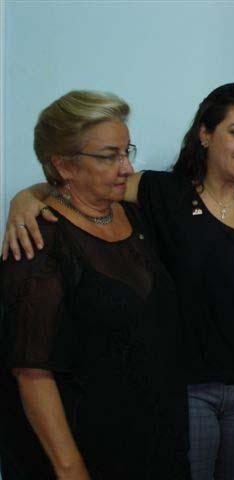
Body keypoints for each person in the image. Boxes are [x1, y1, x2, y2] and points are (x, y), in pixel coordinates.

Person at [1, 81, 234, 480]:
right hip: (185, 390)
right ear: (205, 135)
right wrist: (25, 197)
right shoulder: (162, 193)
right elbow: (75, 190)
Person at [0, 91, 189, 479]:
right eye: (109, 156)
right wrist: (70, 469)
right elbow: (32, 372)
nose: (126, 167)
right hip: (86, 453)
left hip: (154, 443)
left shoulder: (135, 217)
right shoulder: (39, 243)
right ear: (64, 166)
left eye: (126, 151)